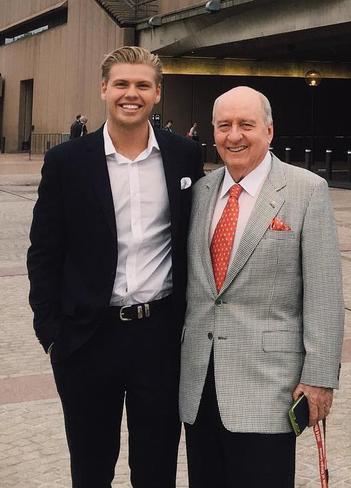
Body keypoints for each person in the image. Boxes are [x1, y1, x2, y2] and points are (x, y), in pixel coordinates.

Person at [27, 46, 204, 488]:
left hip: (159, 338)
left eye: (143, 85)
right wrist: (52, 334)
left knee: (157, 467)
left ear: (158, 93)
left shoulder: (184, 156)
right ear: (104, 88)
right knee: (90, 468)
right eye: (122, 84)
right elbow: (44, 252)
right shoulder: (68, 162)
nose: (132, 93)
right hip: (87, 339)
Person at [180, 86, 344, 487]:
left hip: (270, 387)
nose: (234, 135)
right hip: (200, 385)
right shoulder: (200, 192)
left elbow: (325, 294)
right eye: (224, 125)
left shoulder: (306, 190)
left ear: (269, 131)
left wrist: (319, 378)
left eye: (246, 125)